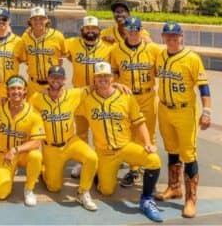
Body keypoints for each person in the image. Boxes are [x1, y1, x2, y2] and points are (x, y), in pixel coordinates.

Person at [77, 62, 163, 222]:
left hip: (126, 147)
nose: (103, 79)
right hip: (105, 153)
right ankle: (99, 173)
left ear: (112, 77)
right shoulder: (86, 99)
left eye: (107, 76)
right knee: (106, 191)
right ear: (94, 79)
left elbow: (139, 121)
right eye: (99, 76)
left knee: (153, 160)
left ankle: (146, 199)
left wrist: (147, 142)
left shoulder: (125, 96)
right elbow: (65, 97)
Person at [153, 22, 213, 218]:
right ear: (162, 37)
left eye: (174, 36)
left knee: (188, 154)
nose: (171, 39)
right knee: (171, 149)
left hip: (184, 111)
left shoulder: (192, 58)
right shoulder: (160, 56)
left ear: (181, 37)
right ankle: (174, 188)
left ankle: (190, 199)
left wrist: (207, 111)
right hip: (164, 109)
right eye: (167, 35)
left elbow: (203, 86)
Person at [29, 65, 98, 211]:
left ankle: (83, 192)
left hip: (70, 142)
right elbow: (24, 110)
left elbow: (93, 87)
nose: (55, 80)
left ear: (64, 80)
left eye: (59, 77)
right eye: (53, 76)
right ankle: (44, 169)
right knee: (54, 188)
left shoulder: (73, 94)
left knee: (91, 157)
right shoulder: (37, 98)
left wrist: (116, 84)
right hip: (50, 147)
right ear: (48, 78)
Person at [109, 16, 161, 188]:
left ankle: (150, 169)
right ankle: (134, 170)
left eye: (136, 30)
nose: (132, 33)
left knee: (148, 135)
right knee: (129, 135)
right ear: (125, 31)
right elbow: (113, 75)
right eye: (129, 30)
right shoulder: (116, 50)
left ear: (141, 30)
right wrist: (115, 84)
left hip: (147, 95)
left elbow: (162, 72)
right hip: (127, 97)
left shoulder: (153, 49)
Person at [63, 15, 113, 178]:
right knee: (82, 131)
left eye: (94, 28)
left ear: (99, 30)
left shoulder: (109, 47)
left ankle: (102, 161)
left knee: (101, 131)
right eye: (87, 28)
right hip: (80, 94)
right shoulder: (72, 44)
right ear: (82, 30)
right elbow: (55, 45)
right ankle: (82, 161)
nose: (90, 31)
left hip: (100, 95)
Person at [0, 75, 44, 206]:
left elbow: (37, 142)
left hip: (22, 154)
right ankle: (7, 171)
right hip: (4, 155)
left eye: (19, 88)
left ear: (25, 90)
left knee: (36, 155)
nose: (16, 91)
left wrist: (16, 150)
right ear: (7, 91)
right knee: (1, 193)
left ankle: (29, 189)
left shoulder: (33, 113)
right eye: (12, 88)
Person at [21, 7, 65, 95]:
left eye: (41, 18)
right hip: (33, 85)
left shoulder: (58, 36)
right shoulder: (25, 38)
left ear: (47, 20)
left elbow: (65, 54)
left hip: (53, 85)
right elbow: (25, 59)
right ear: (30, 21)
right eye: (34, 19)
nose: (38, 21)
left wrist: (58, 61)